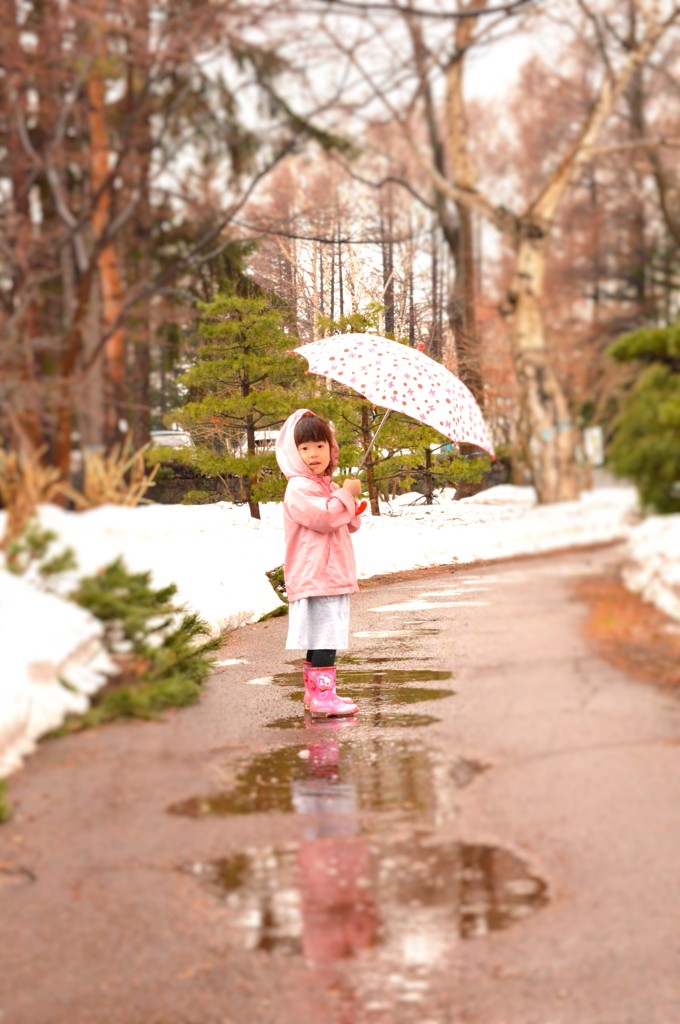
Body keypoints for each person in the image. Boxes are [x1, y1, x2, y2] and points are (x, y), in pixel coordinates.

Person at [275, 409, 362, 718]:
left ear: (331, 448)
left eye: (320, 446)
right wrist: (344, 497)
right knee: (326, 636)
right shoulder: (299, 487)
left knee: (321, 636)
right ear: (293, 452)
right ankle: (324, 695)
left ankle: (316, 694)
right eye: (305, 448)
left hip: (328, 573)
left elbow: (345, 522)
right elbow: (325, 517)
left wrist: (349, 499)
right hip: (318, 574)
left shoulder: (324, 485)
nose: (314, 454)